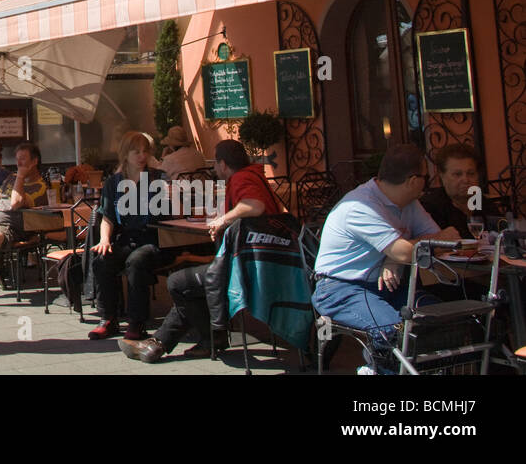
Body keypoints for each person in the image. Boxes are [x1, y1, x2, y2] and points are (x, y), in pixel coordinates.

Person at [119, 138, 285, 362]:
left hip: (249, 265)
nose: (215, 169)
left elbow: (255, 205)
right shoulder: (257, 175)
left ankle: (209, 339)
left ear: (224, 164)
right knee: (190, 278)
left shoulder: (241, 179)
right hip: (270, 261)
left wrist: (222, 219)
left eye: (216, 164)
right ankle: (159, 343)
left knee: (179, 282)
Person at [313, 144, 461, 366]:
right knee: (392, 331)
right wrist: (398, 254)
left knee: (441, 318)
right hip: (341, 288)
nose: (428, 183)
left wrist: (393, 257)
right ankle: (375, 370)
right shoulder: (361, 206)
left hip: (387, 287)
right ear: (413, 181)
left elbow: (432, 243)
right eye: (426, 177)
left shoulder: (409, 202)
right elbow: (416, 248)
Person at [87, 131, 167, 340]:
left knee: (136, 262)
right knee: (102, 261)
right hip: (126, 239)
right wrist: (104, 239)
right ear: (125, 154)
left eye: (145, 152)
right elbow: (107, 217)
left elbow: (168, 215)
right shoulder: (113, 183)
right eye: (136, 151)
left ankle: (136, 322)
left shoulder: (158, 178)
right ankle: (108, 318)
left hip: (153, 238)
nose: (142, 156)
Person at [0, 142, 47, 309]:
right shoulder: (10, 178)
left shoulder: (39, 186)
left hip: (11, 227)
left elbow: (16, 203)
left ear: (34, 161)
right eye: (17, 159)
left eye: (23, 159)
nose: (18, 163)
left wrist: (20, 177)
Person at [420, 143, 481, 238]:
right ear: (442, 176)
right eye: (457, 174)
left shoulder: (480, 202)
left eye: (471, 173)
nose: (465, 180)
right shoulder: (430, 207)